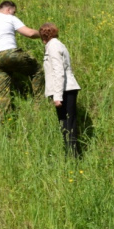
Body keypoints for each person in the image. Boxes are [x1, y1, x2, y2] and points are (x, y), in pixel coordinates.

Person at [40, 23, 82, 157]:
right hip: (65, 88)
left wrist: (57, 96)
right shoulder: (57, 44)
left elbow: (58, 71)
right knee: (66, 124)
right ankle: (72, 155)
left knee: (67, 125)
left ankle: (73, 157)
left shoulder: (53, 46)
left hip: (64, 89)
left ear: (43, 36)